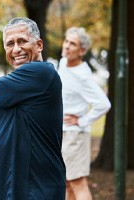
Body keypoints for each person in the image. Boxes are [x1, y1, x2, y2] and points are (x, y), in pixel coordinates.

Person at [0, 17, 66, 199]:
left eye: (22, 41)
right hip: (7, 186)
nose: (16, 49)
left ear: (39, 45)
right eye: (10, 44)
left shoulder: (41, 72)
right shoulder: (15, 85)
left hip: (34, 188)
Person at [58, 27, 111, 200]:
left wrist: (82, 121)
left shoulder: (83, 76)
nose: (66, 46)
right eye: (66, 41)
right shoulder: (63, 64)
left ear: (82, 51)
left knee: (78, 183)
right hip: (62, 132)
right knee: (66, 182)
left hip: (76, 136)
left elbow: (103, 104)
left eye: (72, 44)